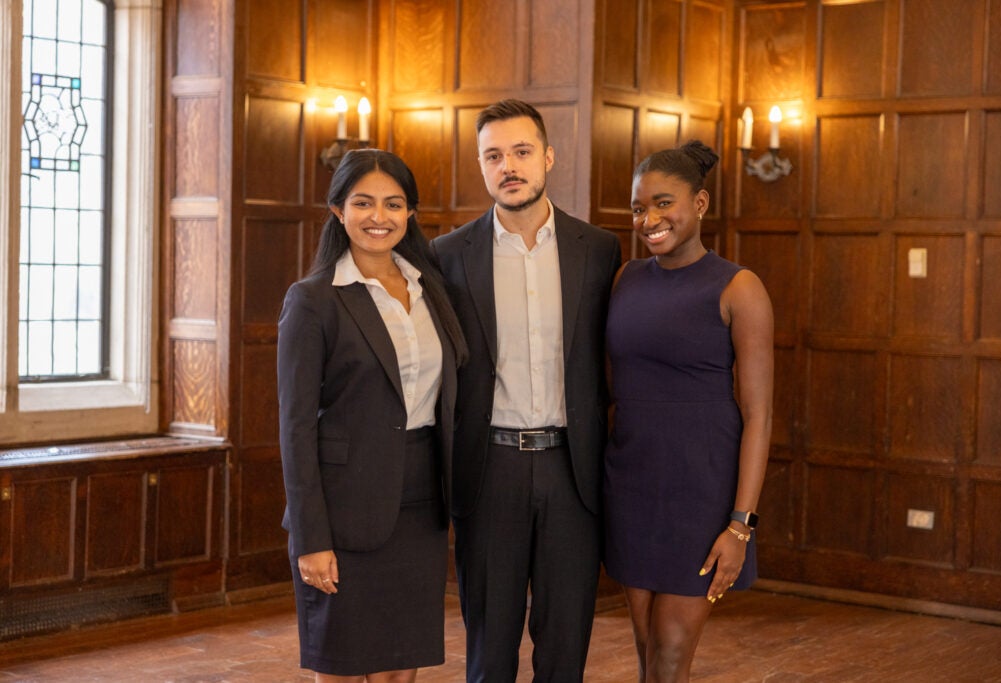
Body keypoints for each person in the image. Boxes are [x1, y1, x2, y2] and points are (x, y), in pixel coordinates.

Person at [431, 99, 622, 681]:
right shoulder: (447, 256)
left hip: (573, 470)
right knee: (490, 651)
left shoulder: (599, 249)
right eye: (494, 156)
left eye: (520, 152)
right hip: (489, 470)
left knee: (566, 648)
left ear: (548, 157)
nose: (507, 166)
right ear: (481, 166)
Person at [277, 149, 467, 682]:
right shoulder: (313, 299)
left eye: (393, 204)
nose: (378, 217)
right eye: (363, 203)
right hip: (342, 511)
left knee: (400, 664)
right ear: (338, 210)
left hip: (421, 505)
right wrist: (311, 538)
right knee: (341, 664)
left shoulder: (435, 292)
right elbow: (294, 428)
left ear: (410, 214)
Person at [603, 139, 774, 682]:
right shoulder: (624, 279)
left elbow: (758, 414)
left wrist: (740, 525)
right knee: (644, 645)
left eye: (662, 203)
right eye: (638, 208)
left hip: (701, 492)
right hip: (631, 484)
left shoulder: (739, 288)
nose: (649, 219)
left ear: (699, 204)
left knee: (671, 655)